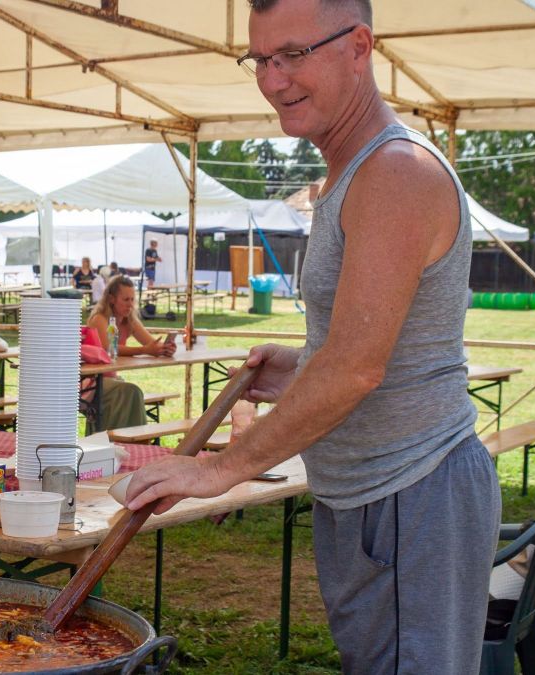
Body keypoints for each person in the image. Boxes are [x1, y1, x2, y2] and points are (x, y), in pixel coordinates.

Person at [123, 1, 500, 672]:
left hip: (414, 489)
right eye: (260, 60)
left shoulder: (395, 173)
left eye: (293, 55)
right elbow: (373, 347)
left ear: (360, 47)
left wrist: (217, 469)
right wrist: (301, 366)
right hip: (361, 488)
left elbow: (357, 368)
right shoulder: (348, 173)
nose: (273, 81)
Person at [85, 275, 176, 430]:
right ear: (112, 299)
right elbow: (109, 348)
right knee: (131, 391)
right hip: (91, 383)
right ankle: (133, 440)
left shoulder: (129, 320)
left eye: (132, 300)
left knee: (130, 391)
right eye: (126, 300)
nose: (130, 305)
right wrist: (145, 350)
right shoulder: (99, 319)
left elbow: (150, 342)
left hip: (110, 378)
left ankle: (130, 440)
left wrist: (163, 348)